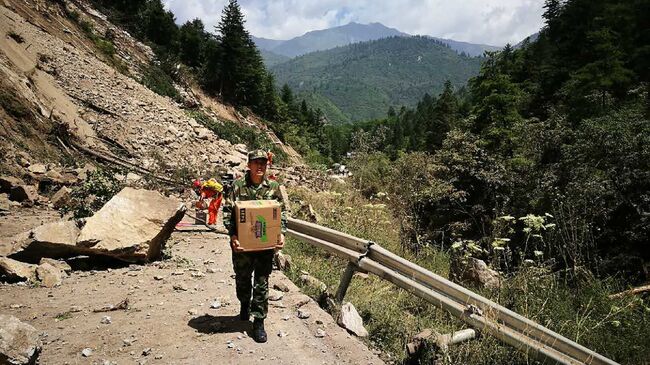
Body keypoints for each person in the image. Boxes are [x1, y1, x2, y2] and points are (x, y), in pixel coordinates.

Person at [222, 149, 286, 343]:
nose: (260, 166)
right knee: (242, 279)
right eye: (256, 163)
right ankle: (244, 303)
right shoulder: (237, 186)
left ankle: (258, 321)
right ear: (249, 165)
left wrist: (281, 233)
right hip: (243, 246)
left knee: (262, 282)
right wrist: (233, 236)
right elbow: (227, 213)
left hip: (264, 247)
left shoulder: (273, 187)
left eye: (263, 163)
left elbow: (281, 213)